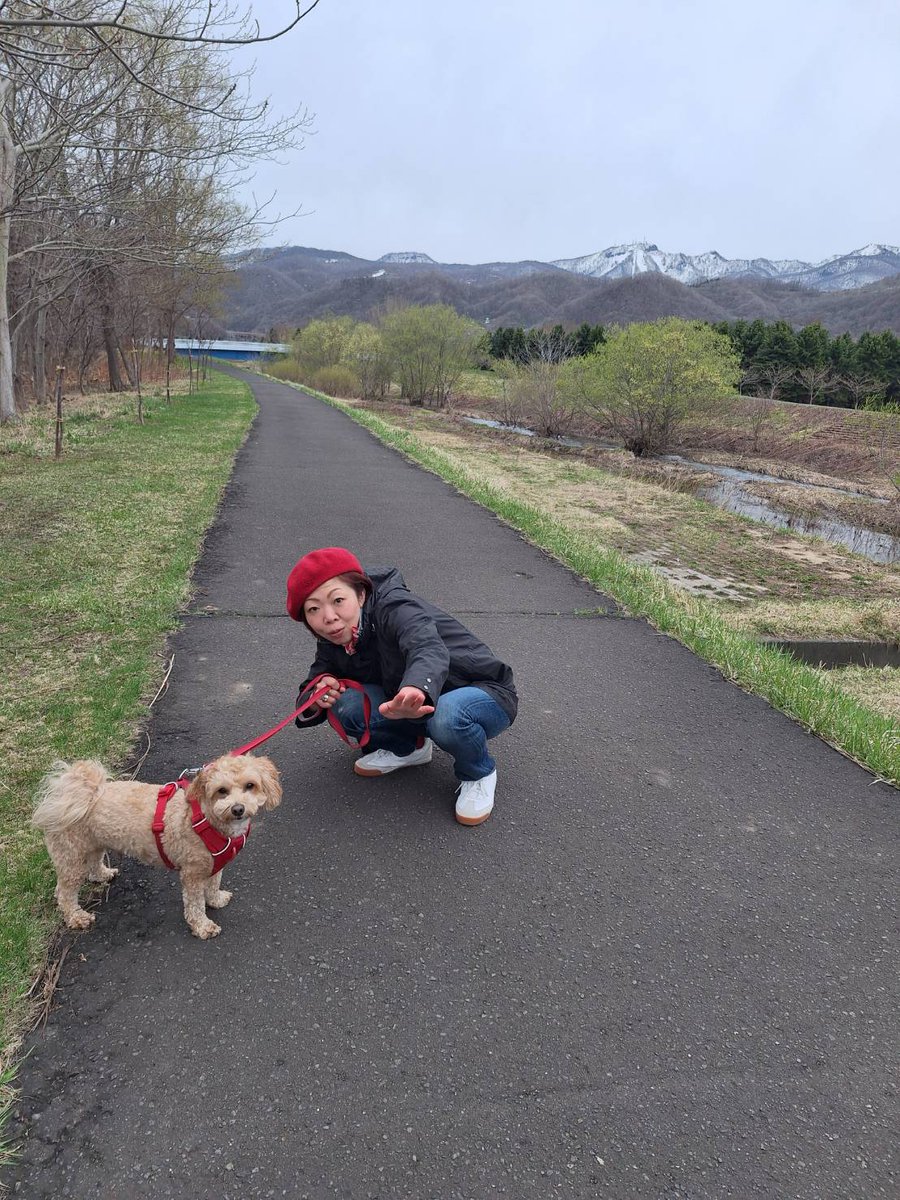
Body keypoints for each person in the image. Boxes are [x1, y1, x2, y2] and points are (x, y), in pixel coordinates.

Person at [286, 547, 517, 826]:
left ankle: (478, 773)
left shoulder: (395, 605)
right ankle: (409, 749)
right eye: (314, 609)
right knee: (344, 703)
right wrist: (318, 691)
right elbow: (314, 679)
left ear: (361, 594)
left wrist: (417, 686)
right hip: (412, 704)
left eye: (337, 600)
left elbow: (427, 647)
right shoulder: (333, 638)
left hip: (483, 691)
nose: (329, 616)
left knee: (447, 715)